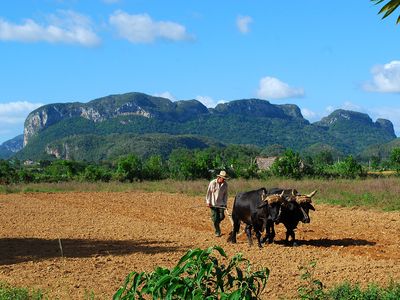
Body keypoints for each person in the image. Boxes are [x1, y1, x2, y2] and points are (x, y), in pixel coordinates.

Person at [205, 170, 229, 237]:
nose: (224, 180)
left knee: (222, 217)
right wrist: (208, 202)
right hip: (213, 204)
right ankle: (217, 231)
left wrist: (225, 203)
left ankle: (216, 222)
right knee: (215, 219)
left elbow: (225, 195)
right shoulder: (212, 183)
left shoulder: (225, 185)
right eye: (223, 179)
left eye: (224, 179)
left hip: (221, 204)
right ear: (219, 177)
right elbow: (208, 193)